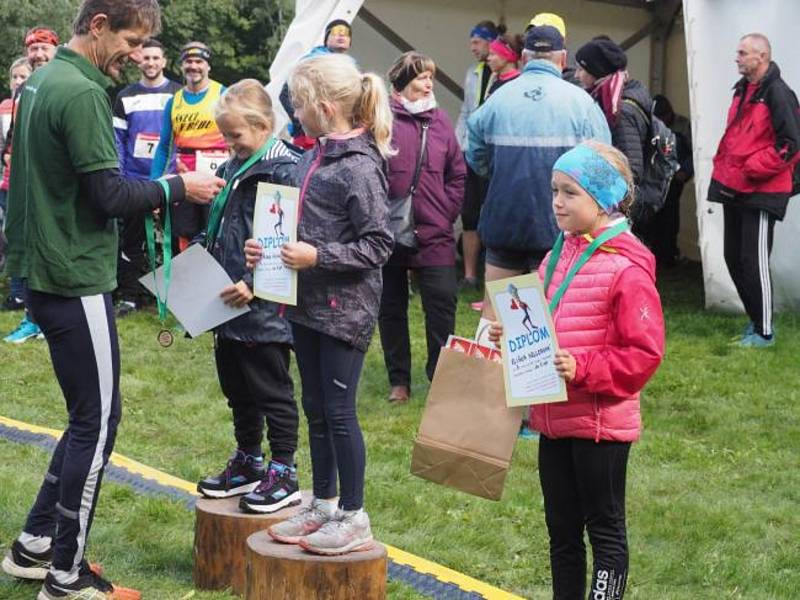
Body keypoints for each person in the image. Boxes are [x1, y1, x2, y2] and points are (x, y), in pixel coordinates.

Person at [0, 2, 225, 597]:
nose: (136, 51)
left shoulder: (45, 79)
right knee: (98, 426)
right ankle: (67, 579)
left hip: (47, 273)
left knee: (85, 420)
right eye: (132, 38)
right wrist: (180, 185)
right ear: (98, 25)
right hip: (73, 278)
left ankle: (34, 546)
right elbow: (107, 195)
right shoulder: (79, 92)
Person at [489, 141, 665, 600]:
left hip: (600, 425)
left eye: (570, 193)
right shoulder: (559, 253)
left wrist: (582, 367)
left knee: (604, 531)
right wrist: (508, 335)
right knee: (560, 530)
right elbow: (544, 323)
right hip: (554, 417)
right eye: (554, 190)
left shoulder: (627, 269)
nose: (557, 202)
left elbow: (644, 354)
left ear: (603, 200)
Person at [244, 54, 393, 555]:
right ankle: (323, 502)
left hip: (344, 312)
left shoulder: (359, 168)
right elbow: (299, 227)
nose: (295, 113)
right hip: (305, 305)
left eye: (299, 105)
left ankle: (355, 514)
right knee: (315, 408)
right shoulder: (314, 155)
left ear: (325, 108)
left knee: (338, 411)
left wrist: (317, 255)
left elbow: (378, 245)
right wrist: (267, 248)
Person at [195, 80, 303, 514]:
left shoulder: (284, 169)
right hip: (227, 306)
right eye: (225, 135)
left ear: (262, 126)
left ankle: (284, 469)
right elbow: (222, 226)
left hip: (264, 310)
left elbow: (287, 240)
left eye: (236, 135)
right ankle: (248, 460)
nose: (229, 143)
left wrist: (254, 284)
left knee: (271, 391)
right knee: (237, 389)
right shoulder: (232, 167)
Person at [466, 25, 610, 332]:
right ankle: (543, 381)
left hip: (504, 220)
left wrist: (498, 175)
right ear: (562, 59)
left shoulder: (497, 99)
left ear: (524, 57)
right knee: (551, 319)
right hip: (559, 227)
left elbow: (474, 151)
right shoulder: (582, 103)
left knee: (494, 314)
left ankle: (482, 379)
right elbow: (603, 163)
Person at [379, 51, 465, 404]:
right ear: (401, 82)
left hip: (435, 231)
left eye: (430, 77)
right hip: (389, 231)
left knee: (442, 303)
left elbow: (458, 173)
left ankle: (440, 376)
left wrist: (445, 212)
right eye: (421, 77)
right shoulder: (380, 118)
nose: (429, 83)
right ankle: (399, 380)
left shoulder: (441, 121)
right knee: (391, 307)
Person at [708, 33, 800, 348]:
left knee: (753, 258)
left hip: (762, 189)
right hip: (734, 186)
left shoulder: (778, 93)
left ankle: (764, 331)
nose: (737, 57)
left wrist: (753, 167)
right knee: (732, 256)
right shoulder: (743, 90)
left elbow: (792, 143)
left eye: (743, 52)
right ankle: (755, 320)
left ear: (761, 57)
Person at [112, 38, 181, 317]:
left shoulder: (178, 94)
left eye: (156, 58)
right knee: (131, 241)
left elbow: (180, 139)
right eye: (146, 58)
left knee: (174, 240)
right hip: (134, 182)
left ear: (164, 62)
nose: (151, 63)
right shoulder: (125, 96)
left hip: (171, 180)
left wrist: (172, 175)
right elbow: (118, 140)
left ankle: (174, 297)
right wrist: (119, 176)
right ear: (139, 61)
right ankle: (129, 296)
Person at [2, 27, 59, 337]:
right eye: (33, 49)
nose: (38, 54)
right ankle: (32, 318)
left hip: (51, 187)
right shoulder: (26, 88)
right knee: (24, 248)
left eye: (43, 48)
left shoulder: (62, 84)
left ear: (56, 49)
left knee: (46, 250)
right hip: (22, 184)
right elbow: (15, 135)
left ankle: (43, 320)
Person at [151, 41, 227, 250]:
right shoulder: (174, 101)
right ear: (181, 66)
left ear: (208, 66)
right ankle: (189, 280)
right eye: (188, 61)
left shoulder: (223, 95)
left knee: (219, 235)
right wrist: (155, 185)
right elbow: (164, 147)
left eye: (199, 61)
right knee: (185, 235)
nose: (193, 66)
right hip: (186, 181)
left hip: (217, 179)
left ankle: (219, 281)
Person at [457, 19, 499, 291]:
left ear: (490, 41)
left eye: (476, 42)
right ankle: (470, 276)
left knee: (494, 213)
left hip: (495, 154)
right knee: (469, 213)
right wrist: (458, 145)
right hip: (471, 153)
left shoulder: (507, 74)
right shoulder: (472, 72)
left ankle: (495, 275)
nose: (472, 47)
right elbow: (465, 111)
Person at [575, 37, 652, 187]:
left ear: (597, 71)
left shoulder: (621, 111)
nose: (576, 75)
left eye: (581, 69)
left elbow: (631, 171)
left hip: (621, 203)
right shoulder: (610, 100)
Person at [279, 18, 354, 150]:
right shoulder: (312, 61)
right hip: (310, 135)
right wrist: (300, 125)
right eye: (336, 31)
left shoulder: (351, 67)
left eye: (346, 32)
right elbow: (285, 94)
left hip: (335, 135)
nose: (342, 35)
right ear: (326, 39)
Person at [645, 94, 694, 266]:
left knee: (670, 216)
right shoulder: (649, 122)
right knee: (650, 215)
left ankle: (668, 254)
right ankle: (652, 252)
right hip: (653, 178)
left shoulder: (684, 125)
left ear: (669, 114)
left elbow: (695, 152)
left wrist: (685, 172)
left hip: (674, 178)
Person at [484, 33, 523, 98]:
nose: (488, 58)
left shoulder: (518, 83)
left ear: (506, 56)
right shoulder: (496, 81)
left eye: (492, 54)